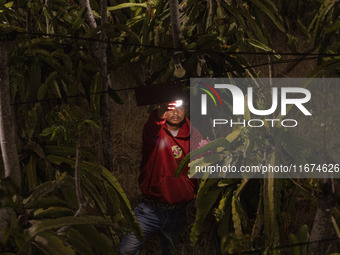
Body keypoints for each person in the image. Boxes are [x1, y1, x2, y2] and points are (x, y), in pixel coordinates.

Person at [120, 100, 203, 255]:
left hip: (178, 212)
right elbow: (154, 126)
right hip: (149, 210)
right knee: (126, 249)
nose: (176, 113)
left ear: (186, 111)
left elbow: (205, 152)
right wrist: (159, 114)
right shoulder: (155, 131)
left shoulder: (193, 134)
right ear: (162, 108)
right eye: (171, 108)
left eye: (180, 108)